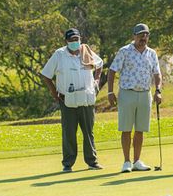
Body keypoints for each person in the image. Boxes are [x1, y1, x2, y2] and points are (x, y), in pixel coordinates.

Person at [40, 28, 104, 172]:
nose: (74, 42)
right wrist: (54, 93)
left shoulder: (86, 51)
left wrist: (96, 81)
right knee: (69, 132)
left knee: (88, 132)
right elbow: (46, 75)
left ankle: (92, 162)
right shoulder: (59, 54)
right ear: (66, 41)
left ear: (80, 39)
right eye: (71, 40)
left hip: (86, 98)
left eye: (76, 39)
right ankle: (68, 164)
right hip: (67, 100)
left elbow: (99, 65)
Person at [106, 23, 162, 173]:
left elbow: (157, 74)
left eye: (146, 35)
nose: (143, 38)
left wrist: (158, 90)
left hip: (145, 94)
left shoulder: (152, 53)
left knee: (140, 129)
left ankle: (137, 161)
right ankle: (127, 161)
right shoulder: (124, 51)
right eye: (140, 35)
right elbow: (112, 71)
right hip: (127, 93)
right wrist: (110, 92)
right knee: (126, 129)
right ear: (134, 36)